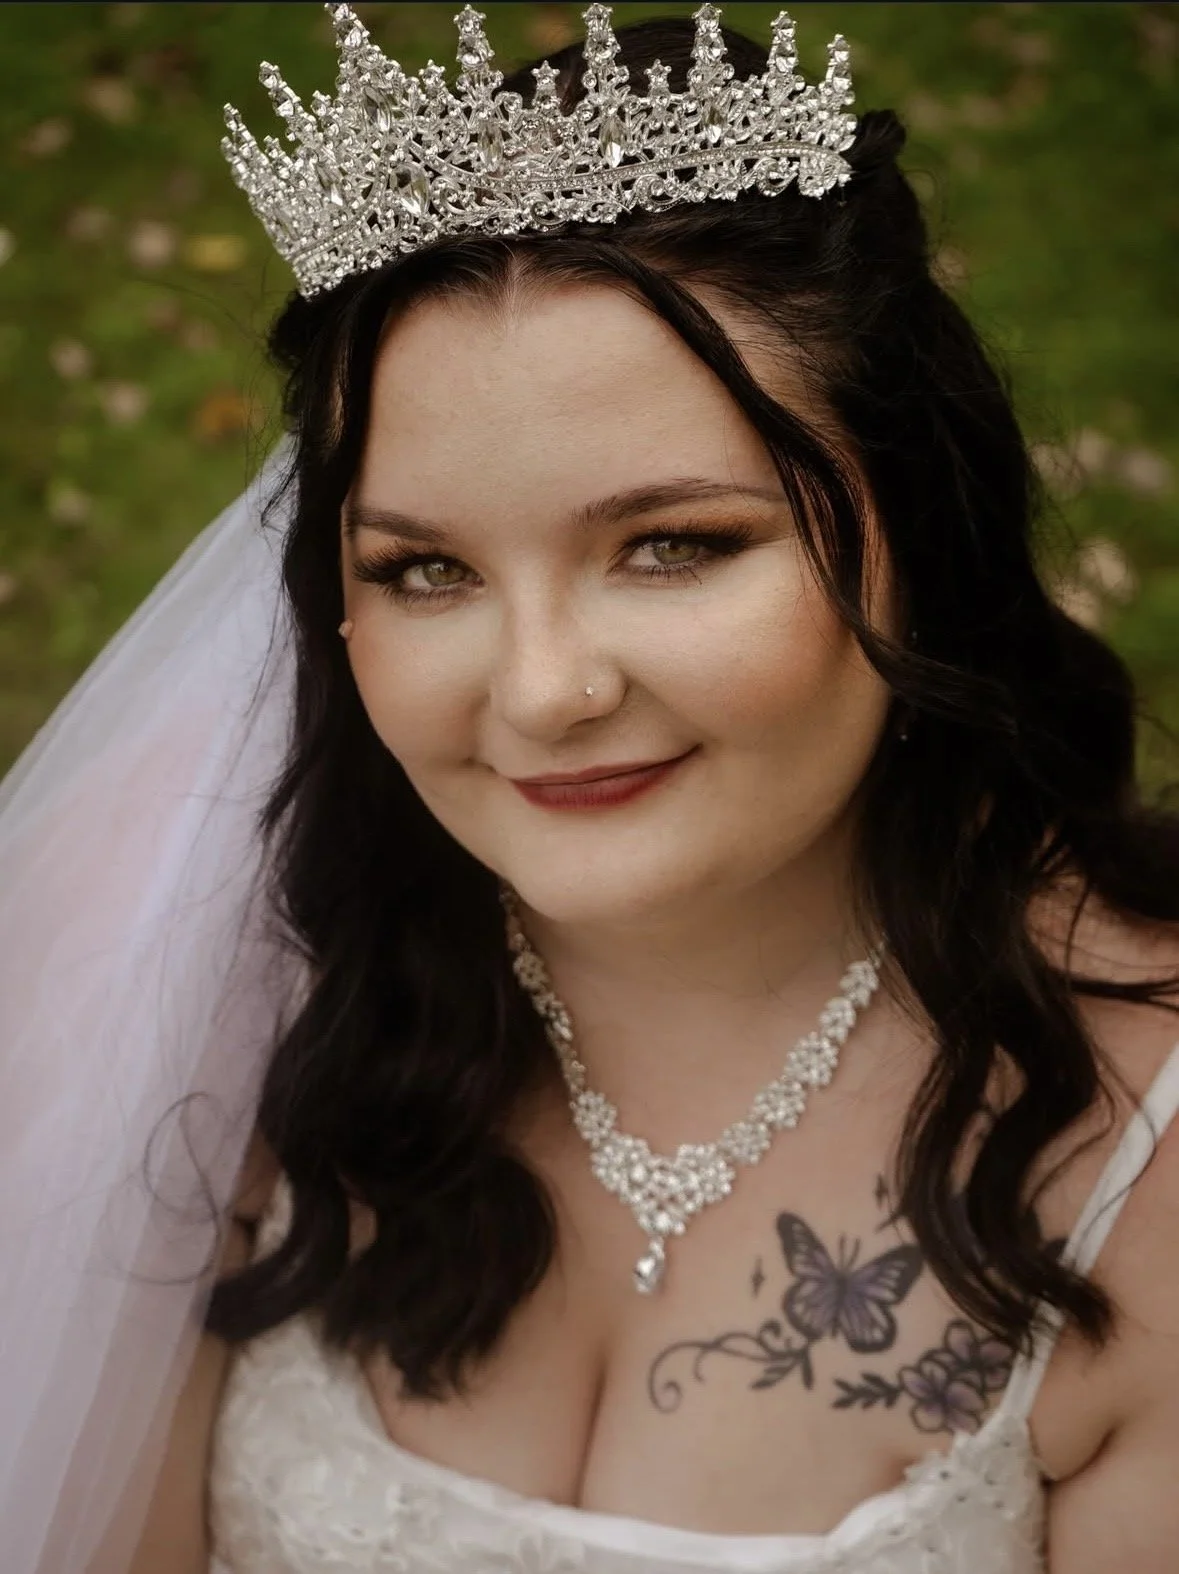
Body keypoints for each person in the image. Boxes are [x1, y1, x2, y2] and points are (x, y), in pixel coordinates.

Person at [4, 5, 1179, 1572]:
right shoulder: (224, 984)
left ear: (919, 536)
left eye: (673, 544)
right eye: (424, 569)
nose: (543, 688)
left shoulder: (1132, 1152)